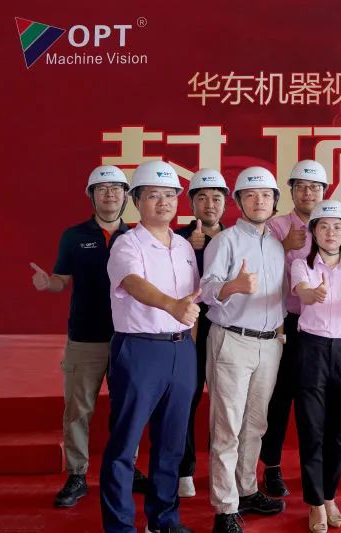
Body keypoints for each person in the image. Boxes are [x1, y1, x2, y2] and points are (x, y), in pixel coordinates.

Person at [30, 165, 151, 508]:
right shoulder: (73, 236)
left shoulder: (138, 236)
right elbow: (61, 280)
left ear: (126, 196)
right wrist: (48, 284)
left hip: (129, 336)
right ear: (92, 196)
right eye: (102, 189)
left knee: (127, 408)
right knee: (78, 409)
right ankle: (77, 474)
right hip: (85, 338)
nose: (109, 194)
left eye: (116, 188)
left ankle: (126, 468)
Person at [101, 160, 200, 533]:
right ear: (137, 201)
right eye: (154, 195)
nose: (164, 202)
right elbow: (132, 282)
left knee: (172, 443)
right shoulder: (126, 243)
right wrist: (171, 306)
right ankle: (120, 526)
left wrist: (188, 340)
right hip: (139, 350)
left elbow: (192, 299)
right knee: (125, 444)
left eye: (170, 195)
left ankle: (163, 520)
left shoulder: (184, 246)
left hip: (181, 350)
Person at [201, 166, 287, 533]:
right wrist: (233, 286)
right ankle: (225, 508)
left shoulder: (278, 244)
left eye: (266, 195)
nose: (259, 201)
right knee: (227, 426)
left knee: (256, 424)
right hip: (232, 340)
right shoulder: (225, 241)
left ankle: (247, 490)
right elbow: (206, 289)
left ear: (274, 201)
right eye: (250, 195)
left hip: (270, 344)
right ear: (238, 201)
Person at [291, 200, 341, 532]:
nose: (331, 232)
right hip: (311, 349)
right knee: (311, 428)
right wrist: (314, 294)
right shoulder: (301, 265)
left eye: (338, 227)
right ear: (314, 231)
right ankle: (315, 502)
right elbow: (303, 293)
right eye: (323, 226)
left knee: (336, 431)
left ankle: (330, 495)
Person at [261, 159, 329, 498]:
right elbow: (261, 270)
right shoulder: (275, 227)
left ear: (324, 191)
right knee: (280, 396)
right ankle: (271, 467)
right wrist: (283, 247)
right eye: (301, 187)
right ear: (291, 191)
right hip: (287, 322)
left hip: (324, 326)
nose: (308, 193)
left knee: (315, 399)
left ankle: (315, 470)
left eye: (314, 187)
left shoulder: (332, 224)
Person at [174, 168, 229, 498]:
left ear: (226, 203)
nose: (210, 204)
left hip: (226, 328)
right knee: (187, 398)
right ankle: (185, 470)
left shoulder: (234, 238)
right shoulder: (176, 238)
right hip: (188, 327)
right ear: (191, 203)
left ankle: (224, 473)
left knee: (226, 403)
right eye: (202, 198)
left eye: (216, 198)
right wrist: (187, 247)